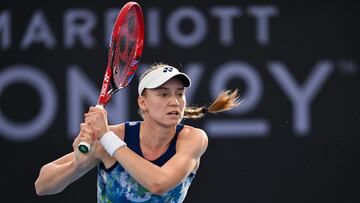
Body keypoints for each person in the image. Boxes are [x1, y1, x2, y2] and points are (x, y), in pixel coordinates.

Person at [35, 63, 241, 202]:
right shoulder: (117, 135)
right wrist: (77, 165)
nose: (175, 101)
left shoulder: (192, 138)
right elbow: (42, 186)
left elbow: (159, 183)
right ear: (143, 102)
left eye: (180, 94)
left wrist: (106, 138)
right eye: (163, 94)